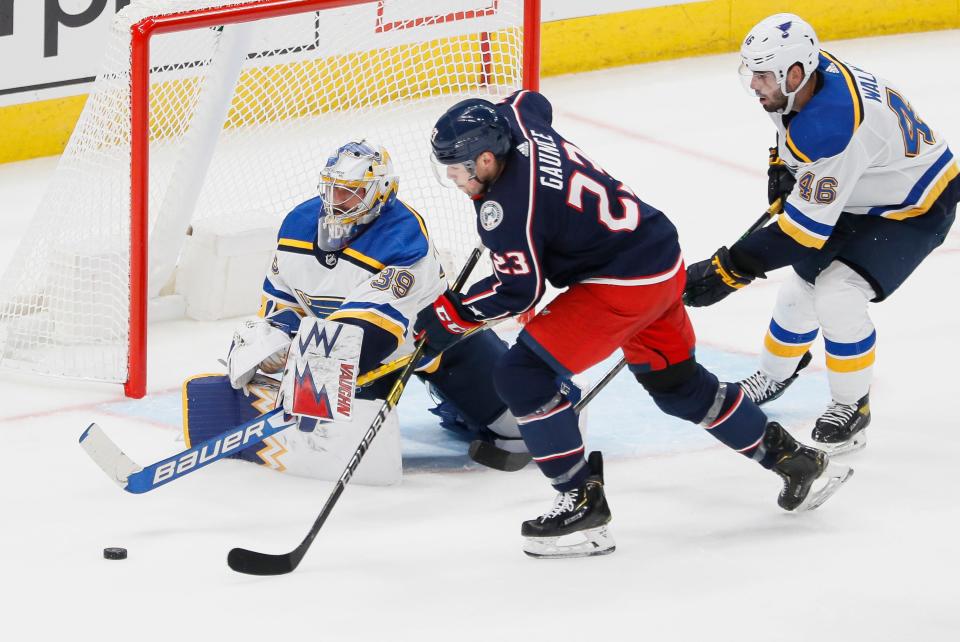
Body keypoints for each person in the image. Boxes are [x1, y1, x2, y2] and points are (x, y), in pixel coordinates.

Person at [415, 93, 852, 558]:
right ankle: (795, 461)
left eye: (460, 168)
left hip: (621, 283)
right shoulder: (518, 121)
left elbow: (519, 291)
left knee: (522, 375)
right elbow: (530, 100)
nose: (455, 179)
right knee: (678, 387)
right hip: (660, 256)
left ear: (487, 156)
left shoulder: (507, 211)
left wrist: (449, 314)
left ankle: (580, 503)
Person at [684, 14, 958, 455]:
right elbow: (787, 130)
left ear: (795, 73)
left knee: (837, 293)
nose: (754, 84)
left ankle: (853, 406)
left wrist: (728, 269)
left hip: (915, 204)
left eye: (763, 75)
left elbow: (799, 235)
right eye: (750, 72)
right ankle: (776, 375)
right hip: (862, 189)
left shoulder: (830, 126)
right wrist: (781, 164)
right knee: (800, 288)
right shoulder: (805, 80)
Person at [188, 140, 530, 484]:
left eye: (350, 193)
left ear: (381, 193)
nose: (336, 203)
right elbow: (284, 297)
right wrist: (273, 338)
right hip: (344, 353)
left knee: (523, 424)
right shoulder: (298, 225)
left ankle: (491, 402)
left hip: (428, 341)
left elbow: (369, 337)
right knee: (340, 445)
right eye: (332, 190)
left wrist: (301, 362)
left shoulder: (402, 237)